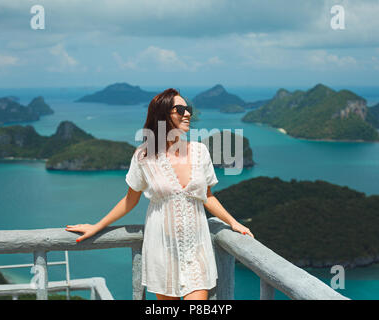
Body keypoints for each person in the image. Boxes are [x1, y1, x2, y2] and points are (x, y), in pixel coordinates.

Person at [65, 88, 253, 300]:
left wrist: (233, 222)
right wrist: (97, 226)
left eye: (188, 109)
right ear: (162, 115)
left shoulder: (200, 151)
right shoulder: (144, 156)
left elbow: (207, 196)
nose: (188, 114)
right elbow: (129, 200)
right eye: (180, 109)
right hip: (162, 249)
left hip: (197, 247)